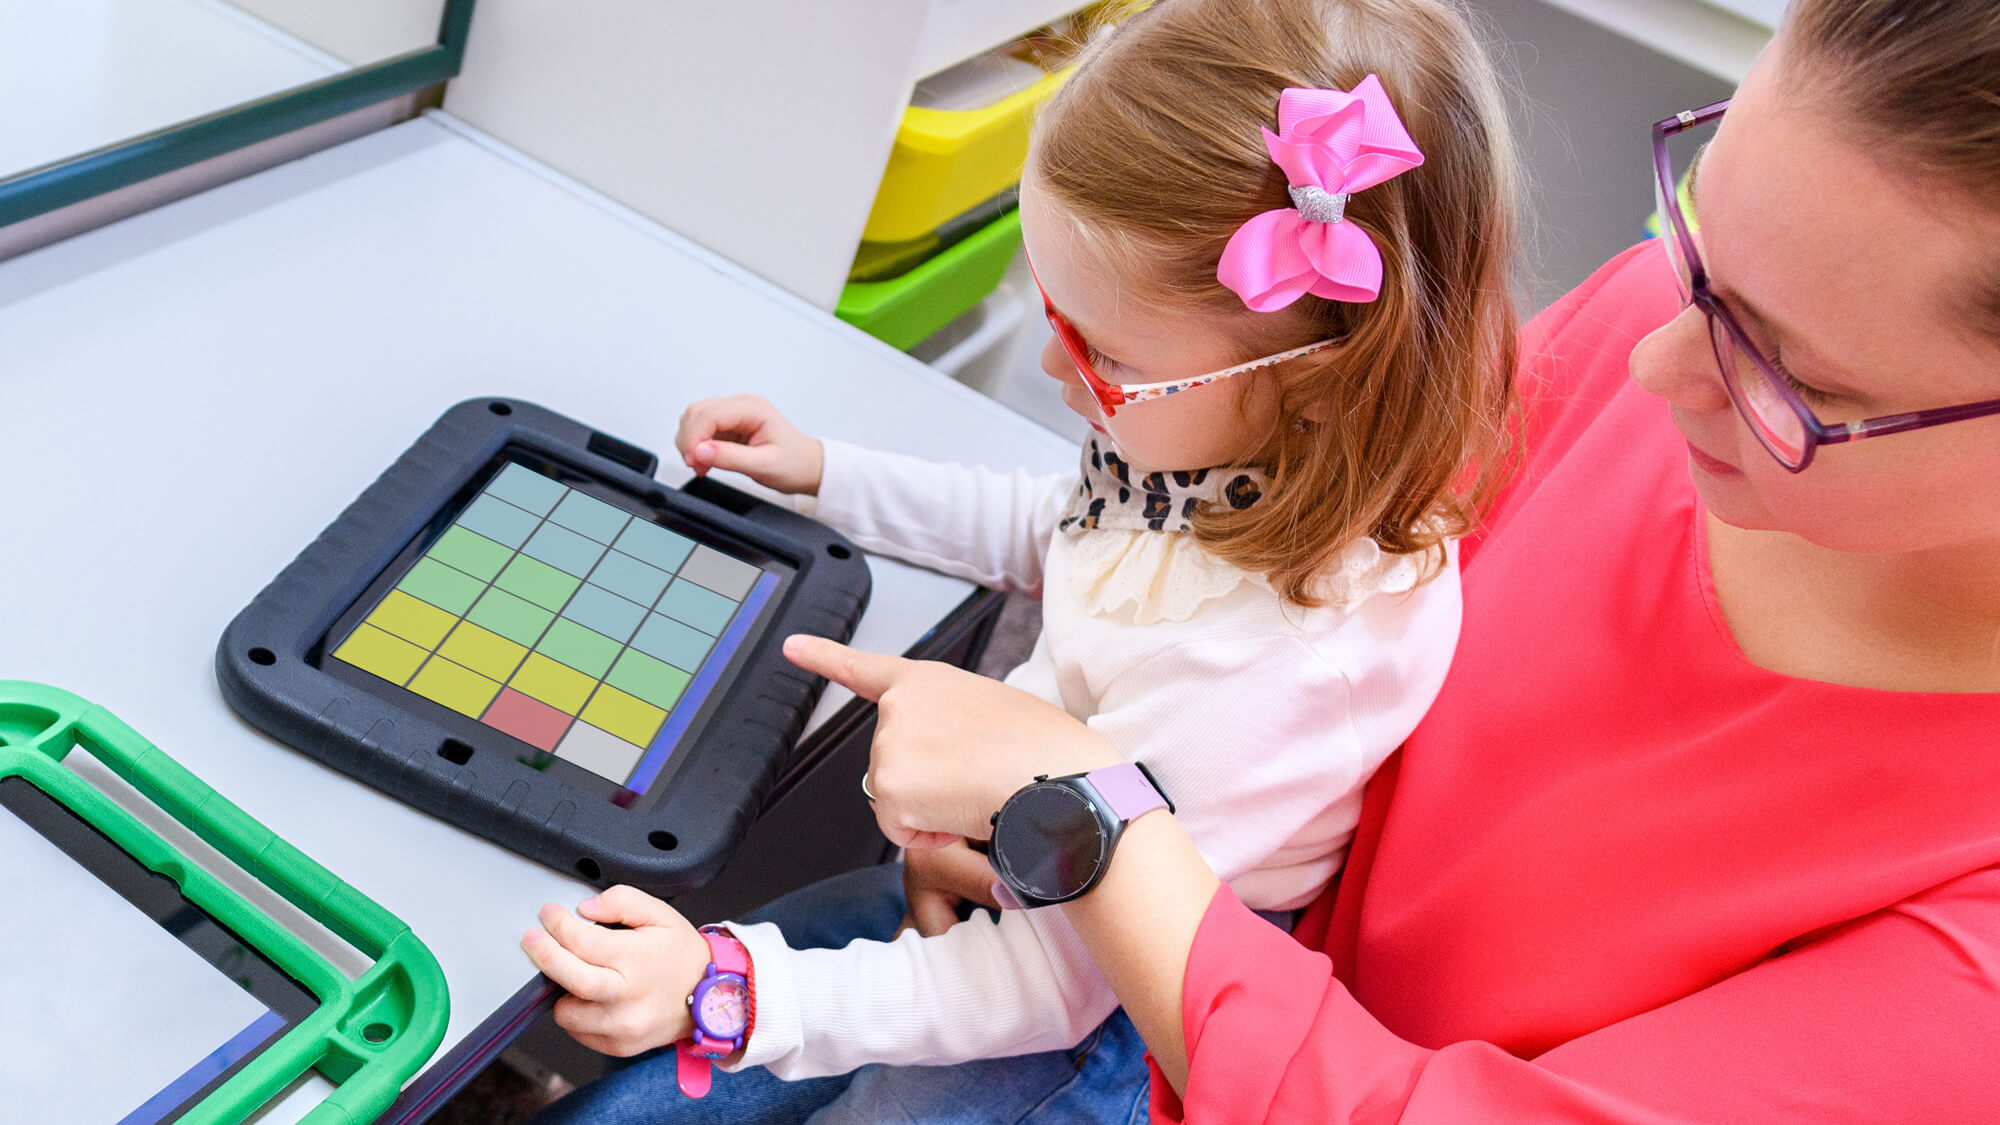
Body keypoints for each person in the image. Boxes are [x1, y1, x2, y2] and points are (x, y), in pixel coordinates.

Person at [769, 0, 2000, 1120]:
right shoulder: (1678, 336)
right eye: (1689, 239)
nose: (1649, 365)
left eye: (1791, 378)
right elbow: (1279, 538)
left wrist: (1083, 826)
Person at [522, 0, 1521, 1119]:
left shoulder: (1281, 661)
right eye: (1050, 306)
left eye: (1103, 353)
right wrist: (826, 473)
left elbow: (1049, 984)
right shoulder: (1218, 444)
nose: (1052, 361)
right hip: (1012, 868)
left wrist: (724, 993)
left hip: (1078, 1020)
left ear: (1312, 384)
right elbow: (1058, 530)